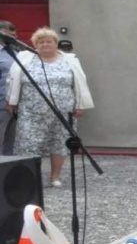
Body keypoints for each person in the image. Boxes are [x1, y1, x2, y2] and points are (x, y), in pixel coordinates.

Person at [6, 27, 93, 188]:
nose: (45, 44)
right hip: (31, 112)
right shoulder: (25, 58)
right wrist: (12, 101)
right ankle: (30, 177)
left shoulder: (70, 59)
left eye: (49, 41)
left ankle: (55, 176)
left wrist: (80, 105)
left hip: (63, 111)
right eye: (41, 42)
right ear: (34, 44)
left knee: (59, 143)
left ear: (56, 43)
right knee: (27, 145)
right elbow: (12, 81)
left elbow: (80, 83)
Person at [0, 20, 18, 154]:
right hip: (1, 103)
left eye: (14, 34)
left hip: (17, 104)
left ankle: (6, 172)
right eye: (9, 35)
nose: (13, 37)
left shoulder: (17, 52)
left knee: (11, 141)